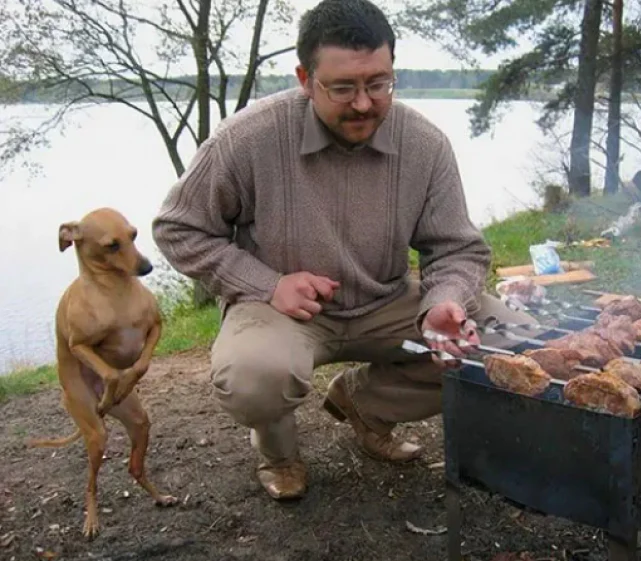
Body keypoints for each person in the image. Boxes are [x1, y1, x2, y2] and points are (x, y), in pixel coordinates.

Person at [152, 0, 538, 501]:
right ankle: (279, 454)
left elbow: (458, 249)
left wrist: (444, 300)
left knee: (513, 340)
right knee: (254, 378)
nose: (363, 103)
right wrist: (267, 284)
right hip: (286, 311)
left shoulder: (425, 144)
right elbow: (178, 228)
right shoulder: (247, 139)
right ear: (305, 78)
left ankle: (365, 405)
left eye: (378, 83)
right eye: (342, 88)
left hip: (387, 303)